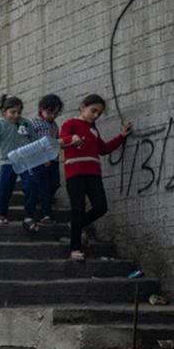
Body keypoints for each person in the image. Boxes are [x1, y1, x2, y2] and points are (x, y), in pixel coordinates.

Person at [60, 93, 132, 262]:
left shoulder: (94, 129)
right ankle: (75, 249)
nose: (96, 115)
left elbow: (103, 149)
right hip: (75, 173)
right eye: (93, 111)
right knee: (77, 209)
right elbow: (61, 141)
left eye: (99, 113)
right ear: (83, 107)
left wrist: (121, 136)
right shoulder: (70, 123)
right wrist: (72, 139)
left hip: (93, 174)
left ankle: (76, 227)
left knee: (101, 207)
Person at [0, 94, 39, 230]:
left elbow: (35, 140)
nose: (16, 115)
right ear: (4, 112)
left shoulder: (26, 123)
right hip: (7, 161)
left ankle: (28, 216)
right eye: (12, 112)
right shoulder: (0, 124)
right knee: (4, 188)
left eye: (18, 112)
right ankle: (2, 214)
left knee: (31, 184)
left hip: (25, 161)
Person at [29, 94, 69, 224]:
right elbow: (29, 142)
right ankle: (46, 214)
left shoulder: (54, 125)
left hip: (53, 160)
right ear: (41, 109)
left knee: (55, 183)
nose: (52, 116)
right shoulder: (33, 123)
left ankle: (41, 200)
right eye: (49, 112)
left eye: (56, 114)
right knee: (44, 186)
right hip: (39, 160)